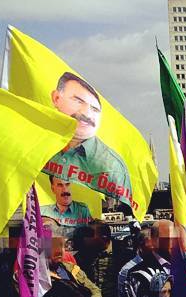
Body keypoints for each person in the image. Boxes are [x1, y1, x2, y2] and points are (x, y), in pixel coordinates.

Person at [48, 71, 133, 200]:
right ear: (56, 98)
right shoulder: (38, 142)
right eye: (78, 101)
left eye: (94, 109)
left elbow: (126, 203)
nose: (86, 114)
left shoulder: (113, 165)